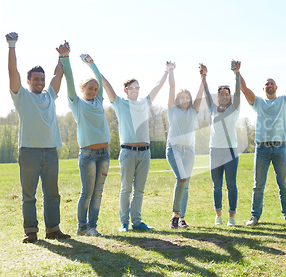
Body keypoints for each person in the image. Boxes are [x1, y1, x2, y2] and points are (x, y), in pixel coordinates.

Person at [6, 32, 70, 243]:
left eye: (42, 79)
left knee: (52, 193)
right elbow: (12, 71)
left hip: (51, 150)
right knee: (29, 195)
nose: (40, 82)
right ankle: (31, 231)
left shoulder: (50, 95)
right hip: (29, 152)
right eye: (36, 79)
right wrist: (12, 46)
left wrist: (62, 57)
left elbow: (57, 76)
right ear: (29, 81)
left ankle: (53, 229)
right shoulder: (21, 95)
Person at [101, 62, 168, 232]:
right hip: (128, 152)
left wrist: (167, 70)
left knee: (139, 190)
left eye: (137, 87)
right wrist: (93, 66)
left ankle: (136, 222)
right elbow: (106, 85)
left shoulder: (144, 103)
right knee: (126, 189)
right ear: (126, 90)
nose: (135, 90)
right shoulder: (119, 104)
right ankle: (124, 223)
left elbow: (158, 86)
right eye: (132, 88)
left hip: (145, 153)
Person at [240, 59, 286, 226]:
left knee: (284, 183)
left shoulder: (284, 101)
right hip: (262, 148)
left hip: (280, 148)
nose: (270, 85)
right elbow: (243, 88)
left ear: (276, 87)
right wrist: (237, 72)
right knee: (258, 185)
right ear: (263, 88)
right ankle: (254, 216)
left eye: (272, 83)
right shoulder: (257, 102)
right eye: (267, 84)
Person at [61, 53, 111, 236]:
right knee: (87, 193)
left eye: (96, 89)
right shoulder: (77, 104)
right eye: (90, 88)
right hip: (88, 155)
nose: (93, 91)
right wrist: (65, 59)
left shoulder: (98, 101)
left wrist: (91, 63)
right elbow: (69, 81)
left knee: (98, 193)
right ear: (82, 88)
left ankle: (92, 227)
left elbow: (99, 79)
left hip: (104, 154)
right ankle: (82, 228)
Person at [166, 62, 205, 229]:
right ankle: (174, 217)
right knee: (181, 178)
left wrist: (203, 77)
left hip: (189, 151)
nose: (185, 99)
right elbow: (172, 87)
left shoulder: (192, 111)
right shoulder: (172, 110)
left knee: (185, 184)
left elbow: (200, 93)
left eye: (187, 97)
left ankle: (181, 219)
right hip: (174, 149)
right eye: (182, 97)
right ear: (177, 99)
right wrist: (171, 71)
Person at [203, 61, 241, 226]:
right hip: (215, 151)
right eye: (221, 94)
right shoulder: (212, 110)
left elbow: (239, 93)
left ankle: (231, 217)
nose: (224, 96)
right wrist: (204, 76)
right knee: (216, 185)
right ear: (218, 97)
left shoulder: (234, 108)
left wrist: (237, 74)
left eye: (227, 94)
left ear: (230, 96)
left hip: (230, 152)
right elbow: (205, 93)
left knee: (231, 185)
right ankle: (218, 216)